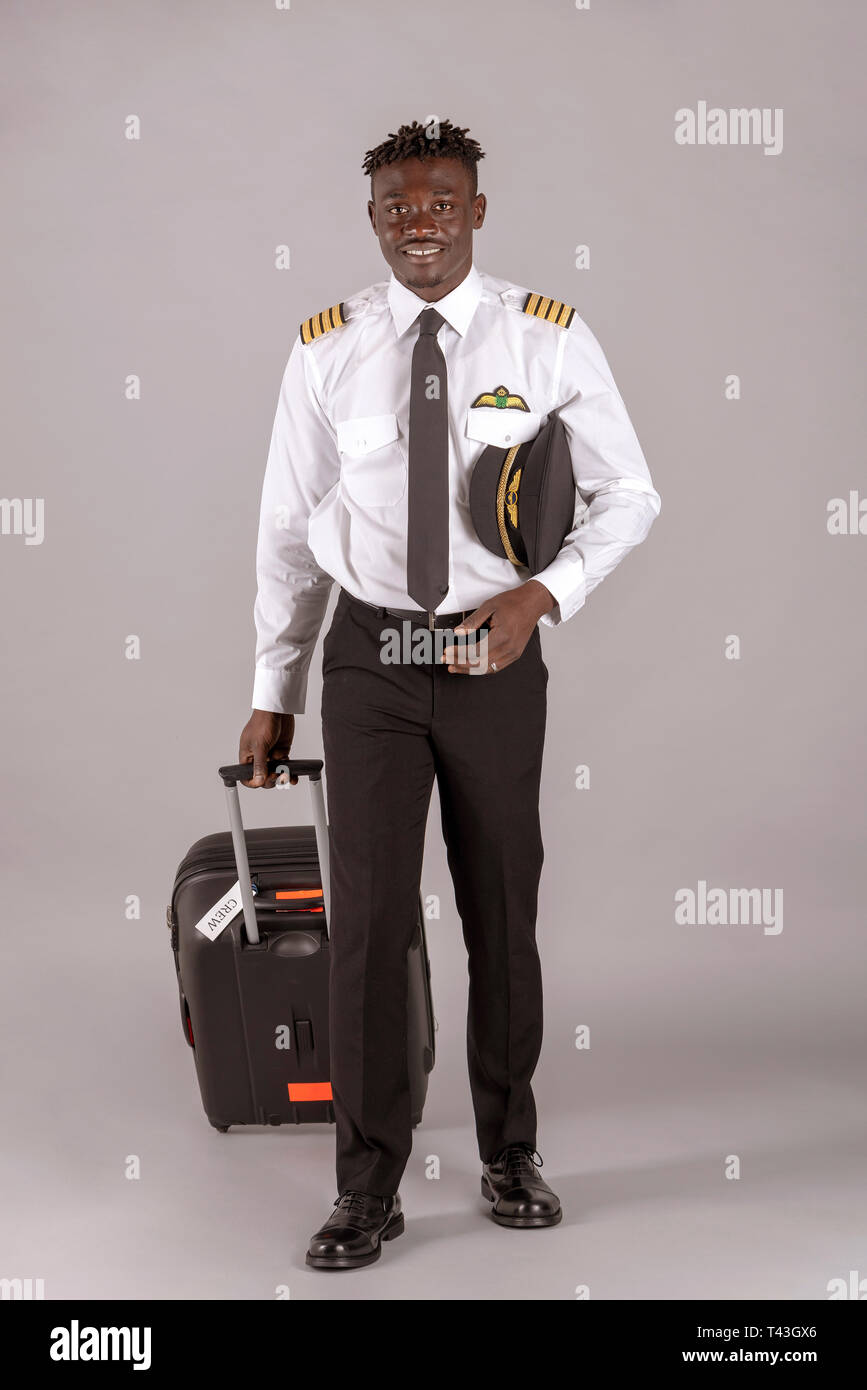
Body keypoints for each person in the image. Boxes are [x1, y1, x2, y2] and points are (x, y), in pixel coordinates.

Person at [238, 119, 661, 1270]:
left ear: (478, 208)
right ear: (371, 217)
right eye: (395, 204)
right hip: (371, 658)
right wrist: (274, 682)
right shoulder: (327, 347)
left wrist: (543, 596)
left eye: (439, 201)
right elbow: (289, 527)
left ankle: (510, 1149)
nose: (417, 220)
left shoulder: (549, 338)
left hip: (492, 656)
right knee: (367, 922)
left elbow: (631, 495)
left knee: (499, 909)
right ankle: (365, 1183)